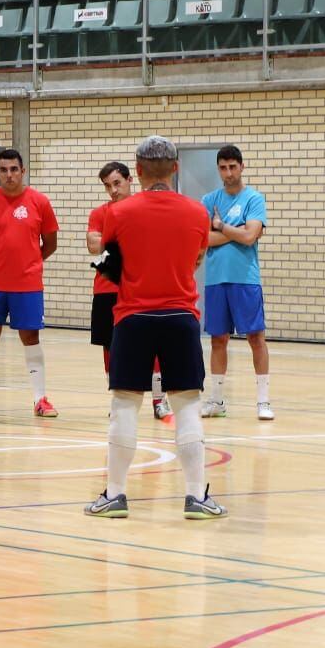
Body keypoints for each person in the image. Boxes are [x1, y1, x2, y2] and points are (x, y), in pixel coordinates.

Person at [84, 135, 225, 520]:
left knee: (125, 403)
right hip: (180, 316)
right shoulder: (198, 213)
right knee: (187, 404)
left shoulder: (119, 212)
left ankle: (115, 494)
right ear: (175, 168)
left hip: (132, 316)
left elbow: (110, 260)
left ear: (139, 170)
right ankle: (196, 496)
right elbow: (196, 257)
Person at [0, 148, 59, 418]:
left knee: (31, 338)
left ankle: (41, 399)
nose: (9, 175)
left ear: (23, 171)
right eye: (4, 170)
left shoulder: (39, 202)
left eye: (14, 169)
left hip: (27, 285)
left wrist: (27, 262)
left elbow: (50, 243)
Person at [88, 162, 169, 421]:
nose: (112, 190)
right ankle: (119, 401)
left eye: (116, 183)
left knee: (154, 344)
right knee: (110, 347)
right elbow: (93, 246)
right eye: (107, 186)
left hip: (140, 289)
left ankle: (159, 400)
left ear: (129, 179)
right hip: (106, 289)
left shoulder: (143, 208)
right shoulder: (99, 213)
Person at [199, 145, 272, 420]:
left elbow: (251, 236)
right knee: (218, 339)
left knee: (256, 337)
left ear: (241, 167)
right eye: (222, 167)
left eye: (232, 167)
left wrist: (221, 227)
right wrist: (237, 231)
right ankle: (217, 400)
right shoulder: (209, 200)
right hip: (216, 279)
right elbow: (204, 240)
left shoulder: (254, 198)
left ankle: (263, 401)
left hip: (246, 279)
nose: (228, 173)